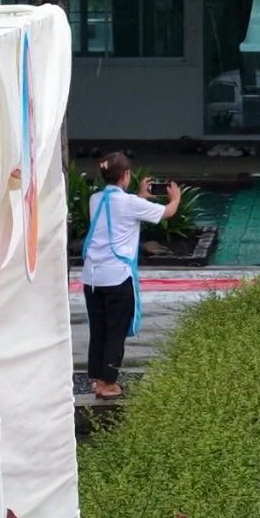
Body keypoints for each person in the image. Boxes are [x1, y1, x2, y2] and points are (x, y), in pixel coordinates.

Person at [81, 152, 180, 400]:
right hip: (116, 278)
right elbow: (167, 212)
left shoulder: (95, 199)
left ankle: (97, 378)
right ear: (125, 175)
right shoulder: (130, 204)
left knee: (99, 329)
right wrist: (175, 198)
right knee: (116, 331)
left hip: (91, 278)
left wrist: (139, 196)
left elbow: (120, 211)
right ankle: (108, 383)